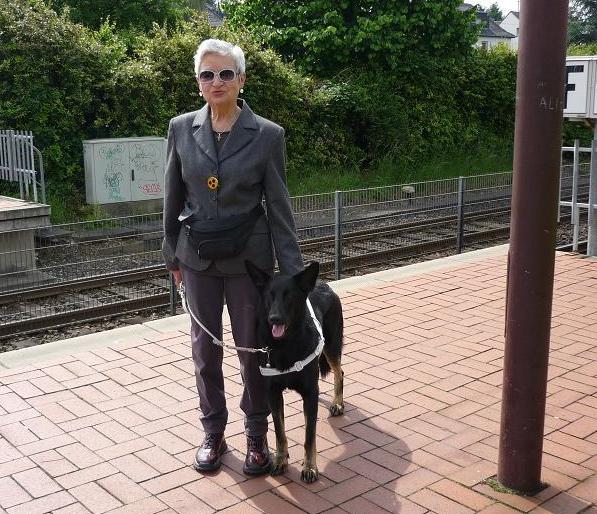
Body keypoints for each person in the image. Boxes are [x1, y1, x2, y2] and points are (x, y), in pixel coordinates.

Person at [162, 38, 303, 475]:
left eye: (226, 73)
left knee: (252, 350)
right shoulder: (181, 128)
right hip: (198, 259)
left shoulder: (267, 135)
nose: (216, 81)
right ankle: (213, 431)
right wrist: (172, 258)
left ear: (241, 79)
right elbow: (171, 197)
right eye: (208, 74)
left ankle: (257, 433)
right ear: (198, 82)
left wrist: (294, 276)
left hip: (250, 264)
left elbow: (279, 208)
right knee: (204, 351)